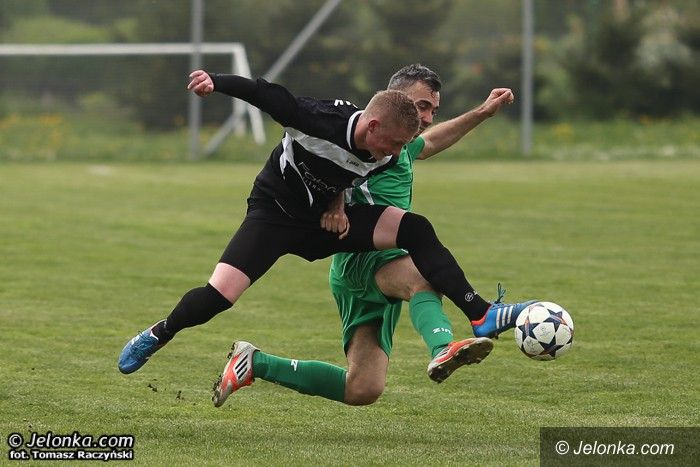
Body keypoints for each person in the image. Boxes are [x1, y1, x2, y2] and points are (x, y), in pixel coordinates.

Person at [118, 69, 533, 382]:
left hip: (325, 226)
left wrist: (336, 202)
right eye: (393, 144)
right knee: (220, 295)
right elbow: (264, 93)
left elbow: (351, 173)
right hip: (275, 216)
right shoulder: (316, 119)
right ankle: (159, 333)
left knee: (415, 228)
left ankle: (481, 314)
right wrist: (215, 82)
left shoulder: (387, 150)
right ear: (374, 126)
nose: (395, 155)